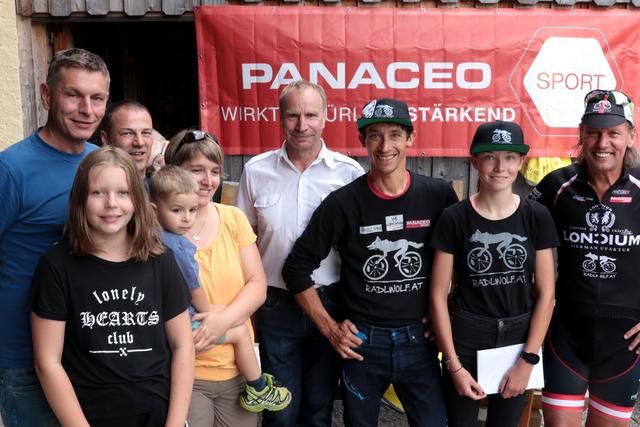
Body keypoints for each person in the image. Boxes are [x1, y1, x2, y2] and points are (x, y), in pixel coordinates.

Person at [282, 98, 458, 426]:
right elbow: (295, 268)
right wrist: (330, 328)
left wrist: (445, 311)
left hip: (420, 342)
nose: (385, 145)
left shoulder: (438, 196)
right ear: (363, 141)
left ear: (411, 137)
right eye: (375, 135)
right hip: (362, 344)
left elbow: (459, 261)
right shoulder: (343, 203)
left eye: (394, 134)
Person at [29, 146, 194, 427]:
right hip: (87, 417)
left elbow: (182, 346)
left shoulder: (160, 260)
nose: (111, 204)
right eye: (98, 193)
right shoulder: (57, 266)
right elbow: (48, 362)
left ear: (138, 200)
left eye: (123, 193)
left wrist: (175, 423)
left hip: (159, 414)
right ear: (80, 199)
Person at [236, 79, 364, 427]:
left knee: (319, 407)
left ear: (326, 118)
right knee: (280, 410)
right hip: (276, 303)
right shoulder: (256, 170)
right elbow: (243, 239)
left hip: (331, 299)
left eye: (310, 115)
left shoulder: (348, 173)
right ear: (280, 119)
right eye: (293, 115)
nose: (301, 125)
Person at [0, 48, 109, 427]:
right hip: (25, 358)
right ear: (47, 95)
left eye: (96, 98)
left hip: (90, 354)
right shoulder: (11, 169)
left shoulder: (102, 165)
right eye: (73, 94)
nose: (86, 109)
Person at [429, 121, 557, 427]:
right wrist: (454, 364)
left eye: (510, 157)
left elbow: (547, 293)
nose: (500, 166)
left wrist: (528, 360)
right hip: (467, 335)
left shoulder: (535, 216)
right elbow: (437, 293)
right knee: (460, 421)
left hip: (517, 337)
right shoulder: (455, 218)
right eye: (490, 156)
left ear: (521, 162)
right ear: (474, 160)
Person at [530, 89, 640, 427]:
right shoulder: (556, 186)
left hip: (624, 343)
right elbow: (519, 240)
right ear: (581, 134)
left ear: (630, 136)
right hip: (565, 333)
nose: (601, 142)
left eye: (613, 133)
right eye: (593, 132)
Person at [149, 165, 292, 413]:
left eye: (191, 210)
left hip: (170, 321)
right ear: (154, 209)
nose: (186, 218)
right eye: (177, 210)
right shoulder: (178, 247)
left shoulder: (152, 237)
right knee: (240, 334)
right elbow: (194, 288)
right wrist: (213, 317)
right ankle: (258, 387)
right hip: (187, 326)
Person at [164, 129, 271, 427]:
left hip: (238, 371)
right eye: (196, 170)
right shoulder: (161, 232)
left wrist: (222, 321)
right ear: (174, 173)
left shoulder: (233, 218)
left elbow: (257, 284)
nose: (207, 180)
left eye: (214, 171)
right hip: (188, 374)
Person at [100, 100, 154, 177]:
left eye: (146, 133)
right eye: (127, 133)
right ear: (105, 139)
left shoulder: (160, 187)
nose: (140, 142)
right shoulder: (92, 186)